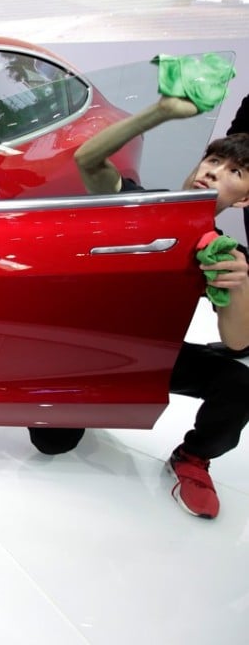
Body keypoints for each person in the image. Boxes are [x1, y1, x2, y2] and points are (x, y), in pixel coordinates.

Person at [29, 93, 249, 520]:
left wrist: (238, 286)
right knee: (52, 445)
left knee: (240, 385)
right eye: (213, 160)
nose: (213, 172)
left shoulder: (227, 256)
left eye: (235, 171)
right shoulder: (138, 207)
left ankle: (194, 456)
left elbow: (238, 341)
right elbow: (89, 160)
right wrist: (161, 111)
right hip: (84, 354)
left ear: (244, 199)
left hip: (151, 356)